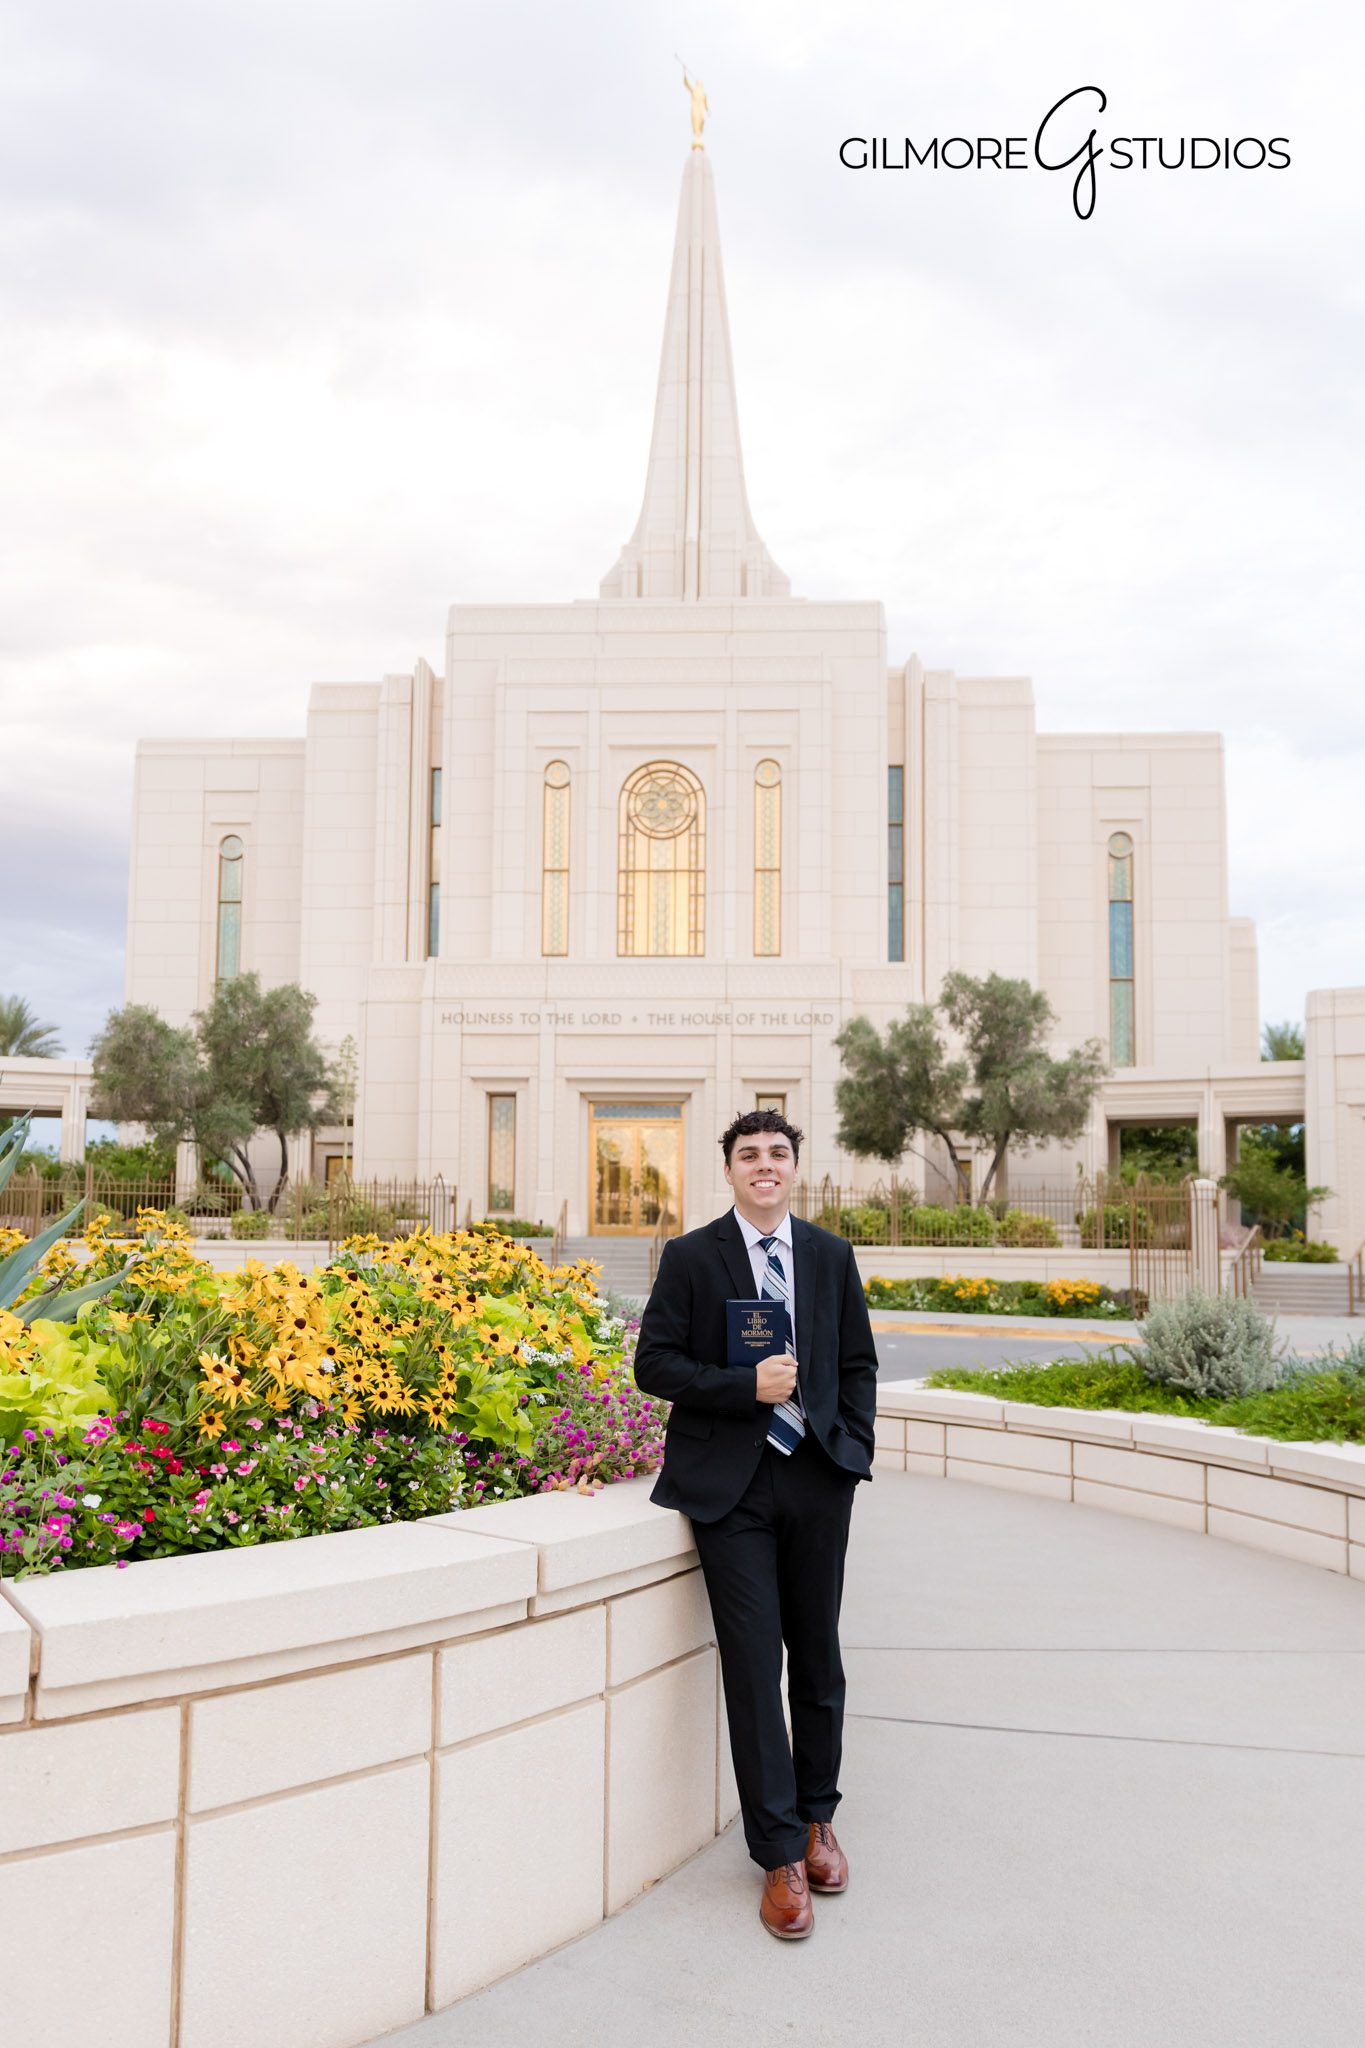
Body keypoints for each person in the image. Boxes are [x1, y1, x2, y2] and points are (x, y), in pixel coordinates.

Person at [633, 1108, 878, 1940]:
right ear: (730, 1169)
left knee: (817, 1655)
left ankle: (817, 1819)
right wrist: (746, 1388)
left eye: (777, 1152)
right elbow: (653, 1364)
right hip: (728, 1487)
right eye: (749, 1155)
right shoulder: (691, 1256)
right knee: (751, 1664)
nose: (764, 1165)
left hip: (816, 1477)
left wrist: (850, 1448)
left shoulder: (829, 1255)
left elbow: (856, 1363)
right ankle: (777, 1854)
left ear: (794, 1167)